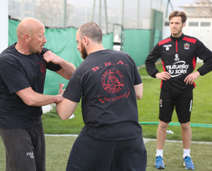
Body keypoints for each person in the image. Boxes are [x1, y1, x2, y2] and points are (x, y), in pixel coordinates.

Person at [56, 22, 147, 171]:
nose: (78, 47)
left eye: (78, 42)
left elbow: (65, 113)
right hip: (131, 136)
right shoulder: (126, 58)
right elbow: (138, 93)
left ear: (85, 40)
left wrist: (59, 99)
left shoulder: (82, 70)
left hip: (99, 138)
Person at [0, 17, 75, 171]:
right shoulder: (8, 60)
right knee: (24, 167)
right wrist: (57, 98)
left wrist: (60, 61)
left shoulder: (41, 53)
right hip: (13, 122)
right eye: (41, 35)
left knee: (37, 167)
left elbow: (73, 75)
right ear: (27, 37)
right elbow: (29, 98)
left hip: (34, 119)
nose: (45, 40)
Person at [145, 11, 212, 170]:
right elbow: (149, 61)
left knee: (185, 124)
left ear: (183, 24)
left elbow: (211, 60)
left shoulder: (193, 42)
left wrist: (197, 73)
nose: (174, 26)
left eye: (177, 23)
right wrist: (156, 73)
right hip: (167, 90)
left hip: (185, 91)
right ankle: (159, 156)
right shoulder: (162, 44)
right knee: (163, 124)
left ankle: (186, 156)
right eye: (171, 23)